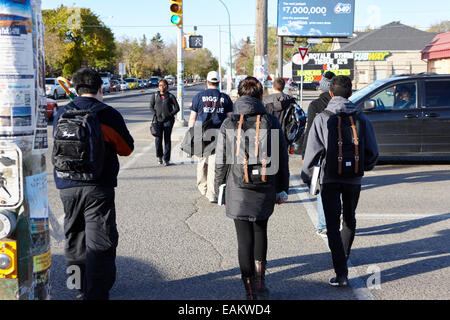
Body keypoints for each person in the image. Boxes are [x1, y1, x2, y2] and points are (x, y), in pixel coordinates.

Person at [53, 68, 134, 300]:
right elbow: (126, 149)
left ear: (76, 89)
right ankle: (96, 292)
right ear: (100, 88)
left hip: (66, 184)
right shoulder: (107, 114)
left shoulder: (62, 112)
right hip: (98, 185)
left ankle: (77, 285)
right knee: (100, 239)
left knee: (75, 237)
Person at [215, 76, 290, 300]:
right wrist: (282, 188)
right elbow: (282, 158)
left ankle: (249, 289)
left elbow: (221, 160)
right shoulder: (271, 121)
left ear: (239, 96)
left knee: (243, 239)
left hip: (237, 187)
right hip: (265, 186)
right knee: (261, 232)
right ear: (260, 96)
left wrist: (220, 187)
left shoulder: (229, 122)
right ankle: (260, 282)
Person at [301, 75, 378, 287]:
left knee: (332, 225)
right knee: (350, 218)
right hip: (353, 178)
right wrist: (362, 167)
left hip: (330, 177)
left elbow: (312, 152)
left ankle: (341, 272)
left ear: (331, 93)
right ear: (351, 93)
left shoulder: (322, 117)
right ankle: (344, 256)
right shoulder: (361, 118)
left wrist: (308, 177)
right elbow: (373, 151)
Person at [188, 71, 233, 203]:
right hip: (219, 134)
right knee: (214, 163)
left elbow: (192, 118)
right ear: (218, 83)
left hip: (200, 133)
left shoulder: (198, 97)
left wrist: (191, 134)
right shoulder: (225, 98)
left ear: (207, 82)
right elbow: (230, 118)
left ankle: (203, 187)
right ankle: (212, 193)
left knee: (201, 162)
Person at [300, 71, 336, 237]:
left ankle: (323, 225)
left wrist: (304, 155)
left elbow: (309, 132)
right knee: (339, 188)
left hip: (320, 154)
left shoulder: (314, 105)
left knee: (322, 189)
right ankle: (338, 218)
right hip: (340, 152)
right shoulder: (342, 104)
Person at [149, 79, 180, 166]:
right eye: (160, 85)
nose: (162, 87)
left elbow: (177, 108)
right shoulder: (155, 95)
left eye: (164, 85)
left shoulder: (170, 96)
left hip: (168, 121)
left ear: (167, 86)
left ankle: (166, 159)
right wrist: (156, 114)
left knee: (167, 140)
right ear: (158, 86)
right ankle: (159, 157)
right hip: (158, 121)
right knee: (158, 139)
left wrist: (170, 115)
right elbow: (151, 106)